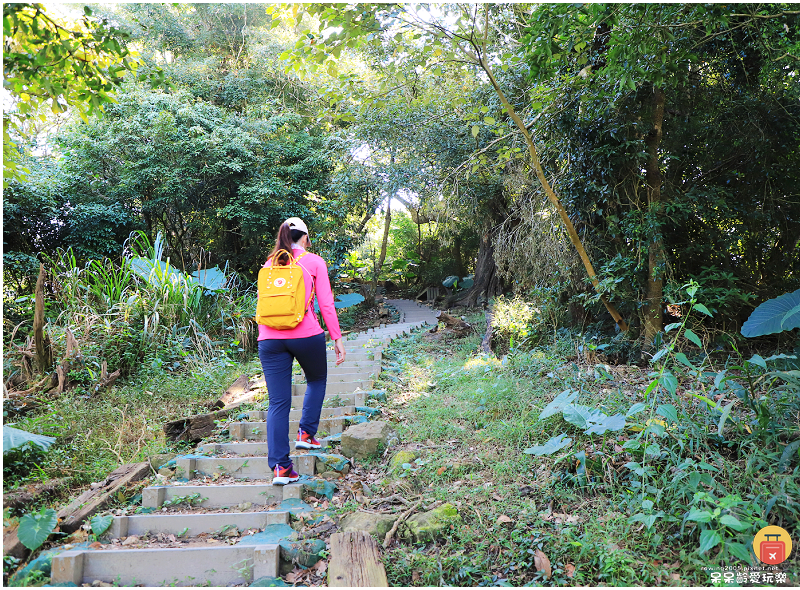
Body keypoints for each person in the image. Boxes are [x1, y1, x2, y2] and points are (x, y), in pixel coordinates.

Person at [257, 217, 346, 484]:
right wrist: (337, 338)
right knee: (316, 380)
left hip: (269, 339)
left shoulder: (269, 264)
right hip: (306, 334)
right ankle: (306, 434)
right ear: (305, 238)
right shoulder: (315, 262)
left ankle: (281, 468)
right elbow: (326, 305)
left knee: (277, 402)